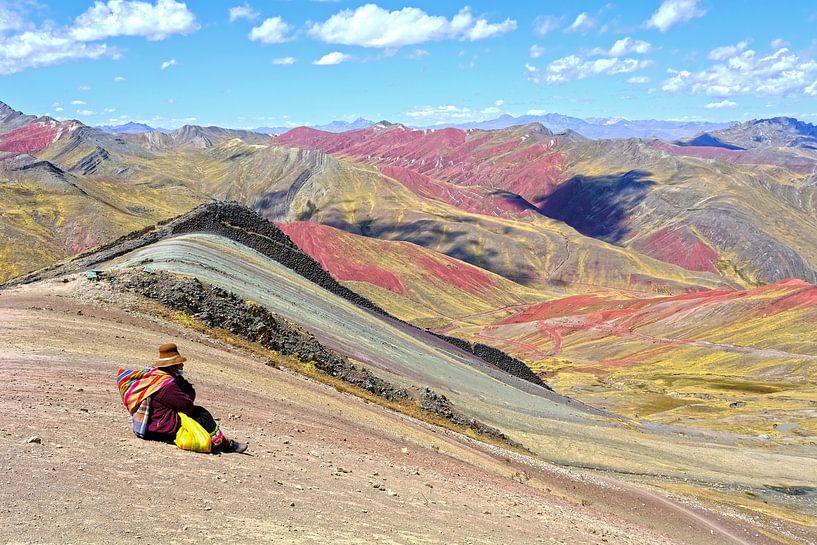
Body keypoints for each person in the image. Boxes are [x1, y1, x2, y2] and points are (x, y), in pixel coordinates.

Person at [117, 343, 248, 453]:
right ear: (171, 366)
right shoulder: (168, 386)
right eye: (179, 364)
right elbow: (187, 406)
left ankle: (223, 442)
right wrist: (186, 386)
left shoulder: (155, 376)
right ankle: (224, 444)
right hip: (160, 428)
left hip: (149, 426)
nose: (182, 367)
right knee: (200, 414)